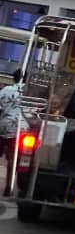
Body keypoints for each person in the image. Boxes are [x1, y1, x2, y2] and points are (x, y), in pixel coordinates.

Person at [0, 69, 25, 197]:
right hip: (20, 130)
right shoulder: (29, 92)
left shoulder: (5, 91)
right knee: (13, 159)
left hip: (3, 126)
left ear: (13, 78)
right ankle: (8, 187)